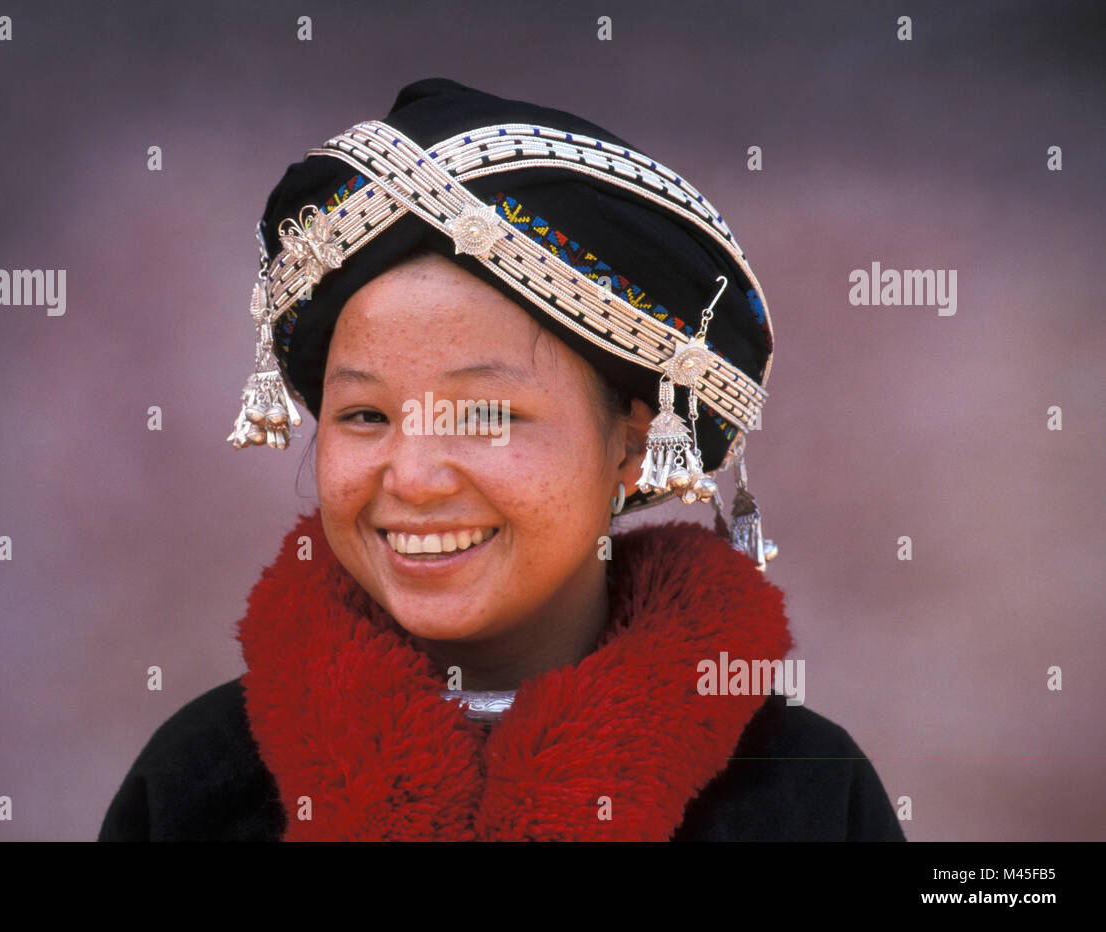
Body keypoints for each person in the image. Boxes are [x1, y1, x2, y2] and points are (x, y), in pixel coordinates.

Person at [98, 77, 904, 842]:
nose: (411, 478)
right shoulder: (199, 788)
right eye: (365, 415)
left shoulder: (804, 795)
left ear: (631, 444)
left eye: (484, 416)